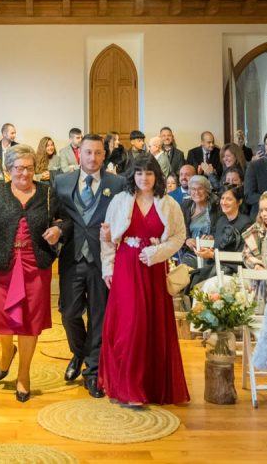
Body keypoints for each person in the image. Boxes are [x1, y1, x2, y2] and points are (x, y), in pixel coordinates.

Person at [0, 144, 64, 402]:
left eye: (30, 168)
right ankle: (6, 352)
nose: (25, 173)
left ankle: (24, 374)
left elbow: (62, 219)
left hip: (35, 266)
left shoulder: (46, 192)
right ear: (8, 169)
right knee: (0, 321)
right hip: (2, 266)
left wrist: (58, 229)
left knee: (30, 323)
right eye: (19, 168)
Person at [98, 154, 189, 407]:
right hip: (126, 268)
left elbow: (179, 236)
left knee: (151, 326)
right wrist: (108, 268)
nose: (144, 178)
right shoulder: (120, 200)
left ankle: (150, 387)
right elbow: (107, 237)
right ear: (132, 175)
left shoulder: (169, 204)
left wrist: (158, 252)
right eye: (139, 173)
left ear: (156, 176)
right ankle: (129, 388)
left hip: (154, 269)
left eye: (149, 173)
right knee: (130, 325)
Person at [52, 133, 124, 395]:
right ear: (79, 154)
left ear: (104, 155)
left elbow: (124, 217)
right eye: (88, 152)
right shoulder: (61, 182)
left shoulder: (117, 184)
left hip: (102, 260)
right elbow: (56, 217)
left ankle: (92, 371)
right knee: (69, 313)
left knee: (98, 316)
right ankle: (79, 352)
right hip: (72, 257)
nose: (93, 158)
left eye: (98, 153)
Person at [189, 186, 250, 287]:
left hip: (235, 270)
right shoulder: (221, 221)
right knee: (192, 279)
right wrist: (208, 251)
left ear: (239, 202)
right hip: (217, 266)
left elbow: (242, 255)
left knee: (201, 286)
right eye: (222, 198)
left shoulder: (246, 224)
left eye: (229, 199)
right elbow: (217, 248)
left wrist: (213, 255)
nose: (224, 202)